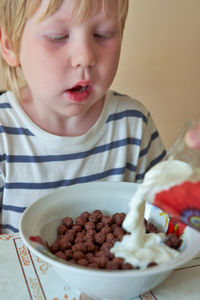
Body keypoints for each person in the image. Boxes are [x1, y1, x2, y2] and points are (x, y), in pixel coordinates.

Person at [0, 0, 166, 233]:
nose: (85, 57)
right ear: (10, 46)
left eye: (102, 34)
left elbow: (167, 220)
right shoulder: (4, 133)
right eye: (58, 36)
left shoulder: (134, 125)